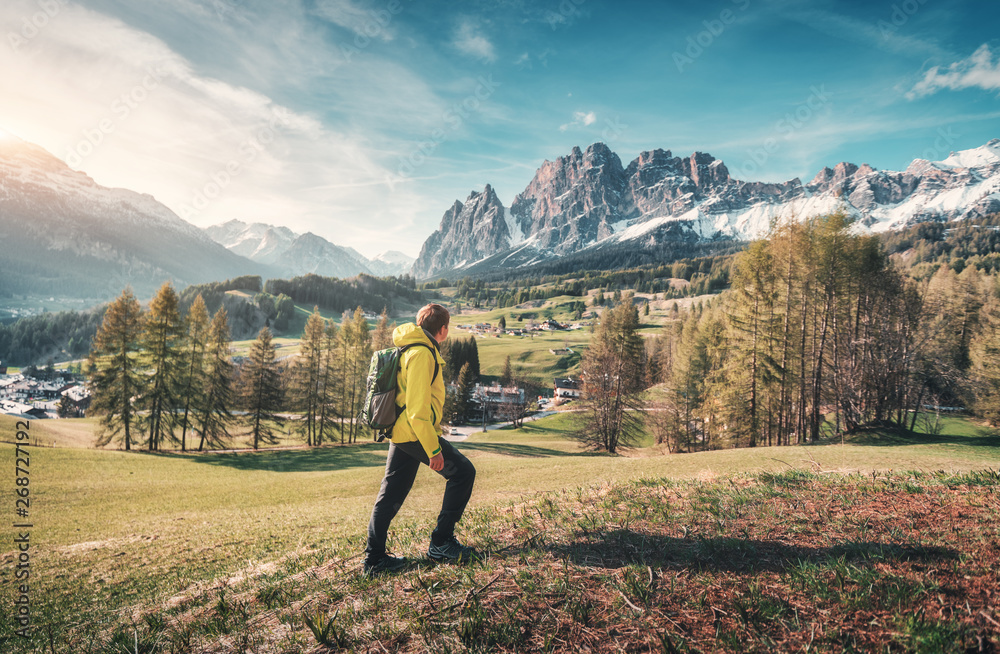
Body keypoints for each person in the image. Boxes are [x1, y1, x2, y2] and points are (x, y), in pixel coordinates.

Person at [363, 303, 479, 576]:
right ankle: (441, 543)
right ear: (443, 329)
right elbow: (417, 412)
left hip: (401, 433)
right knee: (463, 474)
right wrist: (434, 450)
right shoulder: (423, 354)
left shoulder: (409, 347)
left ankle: (374, 560)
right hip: (414, 434)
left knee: (389, 494)